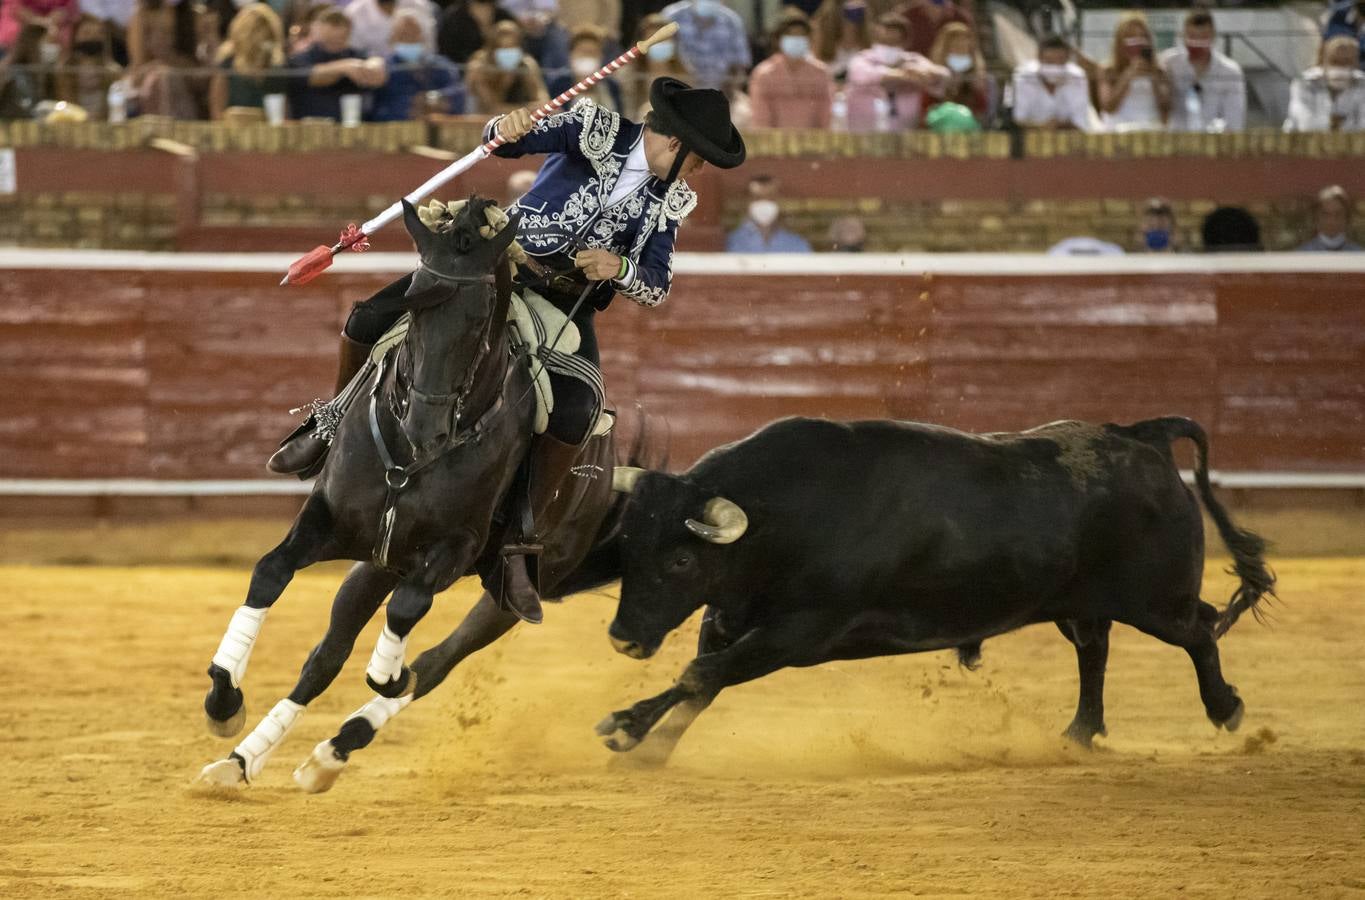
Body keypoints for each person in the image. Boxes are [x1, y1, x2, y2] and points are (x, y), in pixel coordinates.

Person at [268, 76, 746, 625]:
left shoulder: (675, 200)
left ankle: (516, 538)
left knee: (577, 410)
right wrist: (507, 125)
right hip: (499, 268)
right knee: (367, 318)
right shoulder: (596, 128)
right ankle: (328, 426)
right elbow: (506, 142)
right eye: (700, 158)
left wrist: (620, 268)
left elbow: (656, 285)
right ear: (674, 142)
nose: (699, 171)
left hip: (566, 304)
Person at [844, 12, 945, 132]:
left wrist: (924, 73)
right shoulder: (863, 59)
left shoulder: (913, 60)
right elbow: (863, 75)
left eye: (895, 38)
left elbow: (942, 75)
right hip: (864, 132)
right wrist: (903, 75)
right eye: (886, 37)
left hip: (906, 131)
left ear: (904, 39)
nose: (890, 41)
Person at [286, 7, 385, 120]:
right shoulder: (301, 58)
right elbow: (313, 76)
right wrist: (345, 68)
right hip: (311, 130)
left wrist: (374, 65)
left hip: (354, 130)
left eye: (342, 25)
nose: (337, 32)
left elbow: (377, 69)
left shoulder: (355, 55)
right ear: (317, 29)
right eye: (333, 24)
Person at [1159, 7, 1245, 133]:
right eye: (1192, 37)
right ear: (1183, 36)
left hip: (1214, 144)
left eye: (1203, 38)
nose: (1197, 44)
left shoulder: (1230, 71)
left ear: (1213, 36)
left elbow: (1235, 121)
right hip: (1174, 142)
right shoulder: (1168, 63)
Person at [369, 8, 462, 120]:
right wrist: (413, 105)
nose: (409, 39)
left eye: (413, 34)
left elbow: (458, 91)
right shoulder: (384, 69)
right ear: (392, 39)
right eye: (403, 35)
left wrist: (434, 98)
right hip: (397, 129)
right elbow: (378, 107)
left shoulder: (440, 65)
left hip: (440, 126)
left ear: (422, 37)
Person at [747, 8, 833, 129]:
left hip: (814, 144)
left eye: (801, 35)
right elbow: (761, 121)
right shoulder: (764, 74)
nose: (796, 39)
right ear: (778, 39)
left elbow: (825, 117)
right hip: (773, 145)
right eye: (791, 35)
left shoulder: (821, 73)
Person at [209, 3, 287, 120]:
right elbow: (217, 108)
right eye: (257, 29)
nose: (261, 36)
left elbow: (282, 109)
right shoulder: (227, 63)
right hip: (233, 131)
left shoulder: (276, 67)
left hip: (268, 132)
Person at [1098, 12, 1169, 132]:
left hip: (1151, 133)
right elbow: (1108, 107)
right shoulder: (1108, 70)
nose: (1137, 42)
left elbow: (1166, 108)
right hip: (1117, 133)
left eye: (1141, 36)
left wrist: (1154, 77)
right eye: (1130, 37)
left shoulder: (1159, 71)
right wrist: (1128, 76)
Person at [661, 0, 750, 94]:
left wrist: (729, 97)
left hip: (718, 94)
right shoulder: (671, 16)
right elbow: (657, 60)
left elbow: (740, 65)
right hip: (677, 91)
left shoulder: (732, 21)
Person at [1011, 33, 1095, 132]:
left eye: (1060, 61)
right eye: (1049, 62)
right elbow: (1018, 121)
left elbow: (1081, 124)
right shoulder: (1023, 77)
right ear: (1039, 58)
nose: (1055, 66)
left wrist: (1059, 125)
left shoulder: (1077, 78)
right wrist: (1041, 127)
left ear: (1067, 59)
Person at [465, 19, 548, 115]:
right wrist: (504, 80)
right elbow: (491, 108)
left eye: (512, 47)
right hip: (484, 122)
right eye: (503, 48)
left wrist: (539, 105)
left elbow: (542, 97)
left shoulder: (526, 64)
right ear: (493, 48)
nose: (509, 52)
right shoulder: (480, 66)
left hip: (521, 117)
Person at [1284, 35, 1365, 132]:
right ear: (1323, 62)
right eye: (1335, 62)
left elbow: (1363, 126)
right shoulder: (1304, 84)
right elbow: (1306, 125)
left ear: (1356, 64)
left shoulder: (1362, 84)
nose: (1340, 67)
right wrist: (1337, 123)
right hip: (1300, 143)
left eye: (1347, 62)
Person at [621, 11, 689, 116]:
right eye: (654, 40)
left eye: (665, 40)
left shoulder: (685, 78)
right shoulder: (628, 76)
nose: (660, 44)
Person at [925, 20, 991, 127]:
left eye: (964, 48)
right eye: (955, 47)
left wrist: (977, 88)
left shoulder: (980, 78)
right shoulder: (933, 77)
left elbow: (983, 111)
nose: (960, 49)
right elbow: (926, 111)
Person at [56, 14, 123, 117]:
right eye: (87, 33)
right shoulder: (64, 71)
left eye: (98, 34)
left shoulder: (113, 72)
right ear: (75, 37)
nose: (93, 38)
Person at [546, 23, 622, 113]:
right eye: (582, 52)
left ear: (601, 56)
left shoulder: (611, 87)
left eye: (592, 53)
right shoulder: (558, 85)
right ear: (571, 55)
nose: (587, 57)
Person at [726, 175, 811, 252]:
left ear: (778, 201)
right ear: (747, 202)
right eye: (757, 198)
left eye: (770, 197)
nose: (764, 203)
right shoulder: (730, 243)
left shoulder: (797, 245)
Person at [342, 0, 434, 59]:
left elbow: (430, 49)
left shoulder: (419, 5)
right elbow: (353, 55)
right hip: (374, 77)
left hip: (419, 68)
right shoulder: (354, 12)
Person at [437, 0, 514, 66]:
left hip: (502, 74)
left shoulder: (504, 17)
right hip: (461, 74)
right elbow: (447, 54)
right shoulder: (453, 18)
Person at [0, 23, 49, 118]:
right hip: (17, 123)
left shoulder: (38, 71)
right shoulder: (18, 74)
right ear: (34, 44)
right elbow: (26, 107)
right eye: (47, 41)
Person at [811, 0, 868, 80]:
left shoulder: (869, 46)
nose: (852, 24)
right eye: (849, 13)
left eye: (859, 13)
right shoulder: (821, 38)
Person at [898, 0, 971, 59]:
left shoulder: (961, 18)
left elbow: (972, 50)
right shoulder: (906, 15)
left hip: (952, 70)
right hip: (912, 69)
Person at [1298, 185, 1362, 251]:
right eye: (1326, 214)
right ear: (1316, 217)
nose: (1332, 221)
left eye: (1338, 214)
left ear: (1346, 217)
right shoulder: (1302, 254)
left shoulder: (1359, 254)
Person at [0, 0, 77, 52]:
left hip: (57, 21)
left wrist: (63, 12)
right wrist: (37, 20)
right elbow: (13, 6)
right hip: (21, 19)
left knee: (67, 34)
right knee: (14, 30)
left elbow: (69, 7)